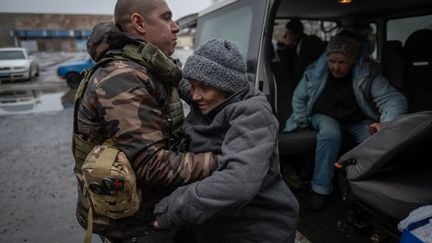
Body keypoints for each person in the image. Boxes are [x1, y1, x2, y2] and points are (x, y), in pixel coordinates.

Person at [73, 0, 219, 242]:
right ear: (139, 23)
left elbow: (184, 91)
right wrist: (223, 161)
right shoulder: (122, 78)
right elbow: (153, 165)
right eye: (166, 18)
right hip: (134, 225)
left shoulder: (146, 66)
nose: (176, 27)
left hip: (151, 211)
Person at [153, 39, 299, 243]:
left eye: (203, 87)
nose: (195, 96)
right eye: (193, 86)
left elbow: (236, 184)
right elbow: (185, 82)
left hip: (256, 231)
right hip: (219, 225)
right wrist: (160, 61)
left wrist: (173, 208)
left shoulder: (253, 115)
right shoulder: (214, 97)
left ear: (227, 87)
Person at [283, 30, 408, 210]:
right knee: (330, 133)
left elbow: (393, 100)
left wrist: (385, 123)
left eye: (342, 62)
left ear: (353, 60)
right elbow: (299, 97)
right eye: (332, 61)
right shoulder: (315, 72)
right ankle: (320, 190)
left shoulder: (367, 74)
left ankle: (363, 190)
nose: (336, 67)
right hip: (324, 116)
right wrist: (303, 123)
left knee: (373, 139)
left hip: (356, 120)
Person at [280, 18, 327, 83]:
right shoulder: (301, 44)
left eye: (288, 33)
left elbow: (301, 72)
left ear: (297, 34)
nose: (284, 36)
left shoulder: (307, 46)